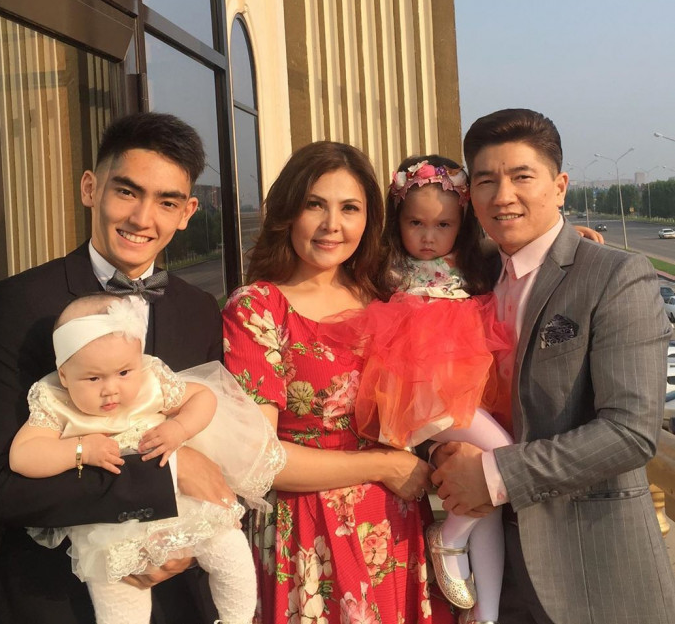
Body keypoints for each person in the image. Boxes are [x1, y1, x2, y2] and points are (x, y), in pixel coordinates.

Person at [0, 112, 229, 624]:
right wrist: (163, 481)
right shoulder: (21, 304)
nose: (142, 218)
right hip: (53, 600)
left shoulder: (199, 309)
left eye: (167, 202)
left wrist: (186, 546)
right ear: (90, 188)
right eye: (127, 192)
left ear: (187, 213)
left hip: (176, 600)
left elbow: (212, 443)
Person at [431, 108, 675, 624]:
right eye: (486, 181)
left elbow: (631, 432)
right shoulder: (468, 277)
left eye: (522, 177)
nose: (503, 196)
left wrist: (493, 475)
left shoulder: (614, 276)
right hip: (493, 565)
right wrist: (444, 449)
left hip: (591, 569)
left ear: (560, 187)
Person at [221, 141, 457, 623]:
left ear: (369, 219)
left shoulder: (386, 295)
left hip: (395, 529)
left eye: (350, 208)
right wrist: (382, 466)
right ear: (288, 212)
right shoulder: (258, 308)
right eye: (315, 205)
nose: (333, 224)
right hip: (309, 535)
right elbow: (261, 460)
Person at [10, 293, 285, 624]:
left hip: (182, 501)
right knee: (120, 593)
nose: (111, 389)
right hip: (110, 521)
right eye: (94, 378)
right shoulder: (55, 400)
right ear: (65, 375)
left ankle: (236, 620)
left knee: (229, 548)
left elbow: (203, 396)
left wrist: (180, 428)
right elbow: (23, 455)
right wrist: (80, 449)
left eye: (124, 372)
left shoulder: (151, 383)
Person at [320, 155, 513, 624]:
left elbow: (516, 244)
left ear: (462, 224)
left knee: (486, 496)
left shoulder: (475, 263)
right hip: (418, 396)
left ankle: (485, 614)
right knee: (504, 459)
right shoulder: (386, 267)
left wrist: (575, 232)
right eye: (416, 223)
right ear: (398, 220)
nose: (429, 237)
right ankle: (450, 537)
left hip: (462, 389)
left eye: (443, 225)